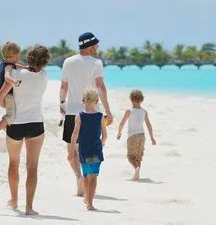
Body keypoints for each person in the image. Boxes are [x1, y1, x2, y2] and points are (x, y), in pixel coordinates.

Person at [0, 44, 51, 215]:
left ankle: (14, 201)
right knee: (32, 167)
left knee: (14, 163)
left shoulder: (15, 74)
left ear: (28, 57)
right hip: (35, 124)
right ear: (45, 62)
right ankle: (29, 207)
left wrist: (8, 109)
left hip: (16, 124)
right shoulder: (45, 76)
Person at [60, 31, 113, 196]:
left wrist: (62, 103)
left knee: (72, 149)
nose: (97, 47)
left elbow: (63, 87)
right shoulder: (96, 63)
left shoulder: (68, 62)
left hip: (71, 112)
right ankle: (86, 176)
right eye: (96, 44)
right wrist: (107, 110)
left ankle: (78, 177)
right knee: (90, 146)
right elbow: (100, 87)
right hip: (92, 113)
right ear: (89, 46)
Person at [68, 87, 107, 211]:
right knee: (94, 176)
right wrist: (103, 143)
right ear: (97, 102)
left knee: (85, 176)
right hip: (96, 150)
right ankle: (90, 202)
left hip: (83, 151)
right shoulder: (100, 116)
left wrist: (71, 151)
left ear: (83, 101)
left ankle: (87, 198)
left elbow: (74, 134)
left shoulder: (79, 116)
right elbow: (104, 135)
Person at [0, 41, 26, 145]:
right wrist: (14, 82)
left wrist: (25, 68)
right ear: (14, 55)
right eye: (19, 55)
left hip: (4, 93)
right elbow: (7, 76)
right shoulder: (8, 67)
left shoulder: (4, 63)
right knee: (10, 116)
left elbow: (15, 65)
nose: (19, 57)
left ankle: (5, 128)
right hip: (8, 94)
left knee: (12, 116)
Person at [117, 89, 157, 181]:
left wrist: (119, 132)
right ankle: (137, 174)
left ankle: (136, 169)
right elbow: (148, 125)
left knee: (131, 157)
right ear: (142, 100)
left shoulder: (129, 110)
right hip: (142, 136)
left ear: (131, 100)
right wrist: (152, 138)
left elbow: (122, 123)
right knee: (139, 156)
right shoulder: (144, 111)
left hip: (133, 136)